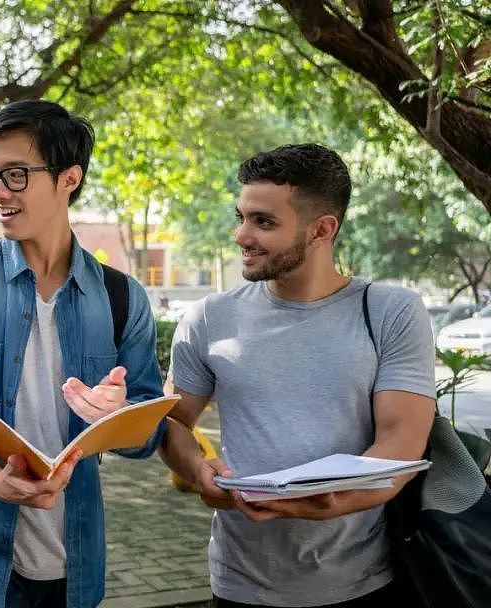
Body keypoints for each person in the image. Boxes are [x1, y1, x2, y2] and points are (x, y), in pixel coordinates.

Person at [0, 100, 166, 608]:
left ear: (69, 179)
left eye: (17, 175)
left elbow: (146, 435)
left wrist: (119, 417)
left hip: (76, 561)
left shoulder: (122, 297)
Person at [159, 144, 435, 607]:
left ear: (322, 230)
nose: (241, 235)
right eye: (241, 216)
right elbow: (171, 422)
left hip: (363, 581)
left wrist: (332, 501)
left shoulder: (391, 312)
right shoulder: (208, 318)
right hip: (240, 581)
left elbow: (401, 440)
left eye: (263, 222)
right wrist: (196, 469)